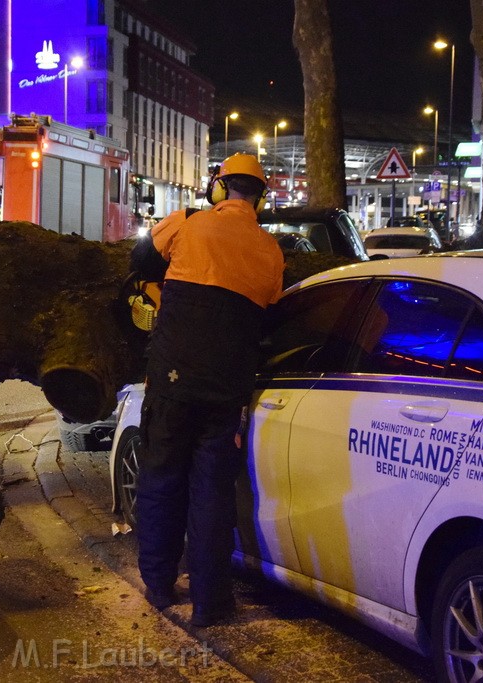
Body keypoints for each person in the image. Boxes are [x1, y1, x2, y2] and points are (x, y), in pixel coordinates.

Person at [130, 153, 284, 627]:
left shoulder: (186, 223)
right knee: (213, 495)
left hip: (172, 381)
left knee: (160, 480)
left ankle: (158, 584)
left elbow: (139, 263)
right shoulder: (270, 251)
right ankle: (210, 603)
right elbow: (271, 310)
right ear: (260, 197)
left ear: (219, 187)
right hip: (226, 389)